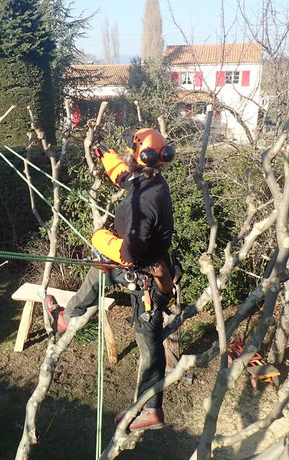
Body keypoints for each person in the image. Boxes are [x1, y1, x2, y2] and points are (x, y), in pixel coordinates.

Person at [44, 127, 176, 432]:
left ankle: (151, 410)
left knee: (149, 344)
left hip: (147, 279)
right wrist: (106, 156)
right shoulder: (149, 180)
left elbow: (129, 253)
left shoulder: (142, 202)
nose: (127, 156)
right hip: (145, 270)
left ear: (141, 155)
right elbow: (123, 176)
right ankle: (67, 316)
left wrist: (101, 239)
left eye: (129, 151)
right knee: (100, 270)